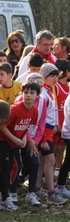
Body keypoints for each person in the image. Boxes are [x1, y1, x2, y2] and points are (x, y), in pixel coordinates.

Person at [0, 81, 39, 210]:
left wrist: (23, 137)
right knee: (7, 165)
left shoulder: (34, 111)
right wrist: (15, 139)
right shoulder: (15, 109)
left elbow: (26, 127)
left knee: (9, 166)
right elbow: (1, 126)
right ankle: (5, 198)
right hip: (1, 138)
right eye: (26, 92)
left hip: (14, 140)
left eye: (32, 93)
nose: (28, 95)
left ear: (37, 96)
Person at [35, 63, 67, 205]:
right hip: (44, 133)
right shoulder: (43, 93)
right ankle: (51, 192)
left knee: (42, 161)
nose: (55, 79)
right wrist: (42, 137)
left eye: (56, 76)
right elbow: (41, 117)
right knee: (50, 161)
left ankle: (35, 188)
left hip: (48, 131)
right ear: (44, 77)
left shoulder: (49, 91)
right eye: (52, 76)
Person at [14, 73, 46, 207]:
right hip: (17, 137)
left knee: (34, 163)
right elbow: (21, 123)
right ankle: (12, 192)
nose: (28, 94)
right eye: (26, 91)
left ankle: (31, 193)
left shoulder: (43, 102)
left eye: (39, 86)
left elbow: (41, 123)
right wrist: (28, 139)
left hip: (32, 139)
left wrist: (35, 141)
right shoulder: (18, 102)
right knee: (16, 165)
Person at [53, 59, 70, 180]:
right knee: (55, 148)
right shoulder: (57, 86)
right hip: (58, 122)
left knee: (61, 148)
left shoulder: (67, 86)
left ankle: (58, 170)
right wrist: (56, 122)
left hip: (65, 121)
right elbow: (54, 105)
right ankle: (53, 171)